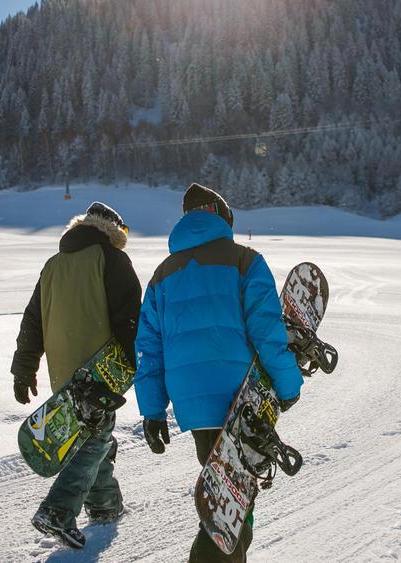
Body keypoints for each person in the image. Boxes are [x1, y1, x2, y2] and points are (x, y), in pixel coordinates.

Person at [134, 183, 303, 562]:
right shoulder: (245, 260)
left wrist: (153, 409)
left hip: (193, 404)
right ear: (222, 216)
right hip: (240, 396)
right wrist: (288, 384)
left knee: (228, 496)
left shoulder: (162, 275)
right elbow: (267, 331)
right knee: (232, 504)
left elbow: (149, 348)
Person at [10, 201, 141, 549]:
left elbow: (32, 322)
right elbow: (130, 320)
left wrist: (24, 368)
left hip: (63, 371)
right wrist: (138, 364)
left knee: (92, 435)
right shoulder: (111, 259)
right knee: (96, 435)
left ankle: (104, 506)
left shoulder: (53, 265)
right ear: (112, 230)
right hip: (100, 370)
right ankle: (58, 510)